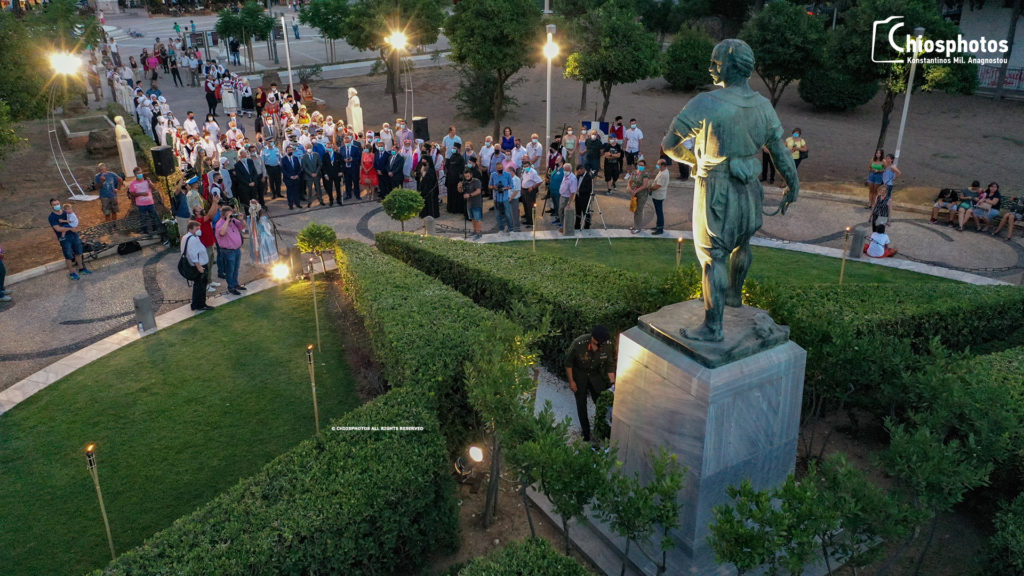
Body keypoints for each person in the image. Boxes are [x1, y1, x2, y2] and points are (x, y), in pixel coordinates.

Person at [662, 38, 799, 342]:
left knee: (713, 257)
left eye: (716, 63)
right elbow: (779, 151)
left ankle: (713, 326)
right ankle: (734, 297)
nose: (711, 68)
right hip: (749, 187)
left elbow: (669, 145)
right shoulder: (764, 106)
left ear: (733, 67)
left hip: (717, 187)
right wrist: (793, 182)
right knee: (742, 243)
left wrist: (693, 162)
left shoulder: (706, 102)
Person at [564, 325, 616, 443]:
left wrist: (613, 384)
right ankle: (586, 432)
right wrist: (572, 381)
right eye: (594, 343)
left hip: (595, 375)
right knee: (581, 403)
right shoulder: (578, 343)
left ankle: (601, 429)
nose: (595, 347)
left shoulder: (607, 346)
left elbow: (609, 365)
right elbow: (568, 363)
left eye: (598, 345)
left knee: (601, 400)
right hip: (579, 375)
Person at [49, 198, 91, 280]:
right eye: (54, 204)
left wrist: (75, 227)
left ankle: (81, 268)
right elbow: (58, 229)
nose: (56, 206)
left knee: (78, 253)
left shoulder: (66, 211)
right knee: (68, 256)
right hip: (64, 239)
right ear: (51, 206)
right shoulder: (52, 217)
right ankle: (72, 273)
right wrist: (71, 229)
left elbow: (74, 220)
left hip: (74, 236)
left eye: (57, 203)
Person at [181, 221, 214, 311]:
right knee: (201, 286)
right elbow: (193, 254)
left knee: (198, 286)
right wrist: (199, 267)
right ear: (190, 229)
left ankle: (196, 304)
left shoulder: (187, 237)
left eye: (199, 228)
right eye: (197, 229)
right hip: (200, 265)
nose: (199, 230)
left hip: (197, 265)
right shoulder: (192, 239)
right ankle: (200, 304)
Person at [215, 205, 247, 295]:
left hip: (237, 250)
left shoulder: (233, 220)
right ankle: (231, 287)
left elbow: (243, 226)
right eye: (228, 215)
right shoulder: (220, 224)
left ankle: (236, 284)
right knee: (230, 270)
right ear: (222, 215)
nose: (231, 216)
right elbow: (222, 232)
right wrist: (227, 220)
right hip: (228, 251)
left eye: (231, 214)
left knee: (236, 269)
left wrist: (241, 219)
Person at [871, 154, 901, 228]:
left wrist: (893, 178)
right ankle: (883, 217)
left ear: (891, 160)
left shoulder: (892, 167)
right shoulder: (886, 166)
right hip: (884, 184)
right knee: (883, 201)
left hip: (888, 185)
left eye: (888, 158)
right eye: (886, 158)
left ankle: (888, 220)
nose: (887, 159)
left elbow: (899, 173)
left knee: (887, 202)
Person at [128, 167, 160, 234]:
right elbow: (132, 194)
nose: (140, 174)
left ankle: (155, 230)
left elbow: (154, 188)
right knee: (143, 218)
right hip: (141, 204)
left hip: (150, 202)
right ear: (135, 175)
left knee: (153, 216)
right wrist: (141, 194)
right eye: (138, 174)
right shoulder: (133, 184)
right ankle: (145, 232)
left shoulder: (146, 180)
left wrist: (149, 182)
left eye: (140, 173)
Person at [628, 159, 651, 234]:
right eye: (639, 165)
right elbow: (630, 181)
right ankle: (635, 225)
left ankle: (638, 228)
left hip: (642, 195)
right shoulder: (634, 172)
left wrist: (635, 191)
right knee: (635, 210)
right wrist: (630, 189)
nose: (640, 166)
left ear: (644, 166)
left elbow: (644, 185)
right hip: (634, 194)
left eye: (642, 165)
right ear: (637, 165)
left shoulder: (645, 174)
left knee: (639, 211)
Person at [490, 162, 513, 233]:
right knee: (498, 215)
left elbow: (511, 185)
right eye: (498, 168)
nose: (500, 169)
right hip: (496, 198)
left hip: (505, 198)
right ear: (496, 169)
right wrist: (494, 187)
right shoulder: (493, 175)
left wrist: (505, 188)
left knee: (508, 214)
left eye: (501, 168)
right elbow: (489, 186)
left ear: (503, 167)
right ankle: (501, 229)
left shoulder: (508, 175)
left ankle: (511, 229)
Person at [649, 159, 670, 235]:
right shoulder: (662, 171)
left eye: (658, 164)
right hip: (657, 195)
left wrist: (650, 188)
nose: (657, 166)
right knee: (658, 212)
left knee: (659, 212)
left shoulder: (664, 174)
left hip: (659, 195)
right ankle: (658, 226)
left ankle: (660, 228)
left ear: (663, 165)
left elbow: (658, 186)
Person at [462, 168, 483, 239]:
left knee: (478, 218)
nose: (467, 178)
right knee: (472, 218)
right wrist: (459, 188)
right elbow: (462, 191)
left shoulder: (476, 181)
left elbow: (478, 191)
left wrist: (470, 195)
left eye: (468, 176)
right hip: (469, 203)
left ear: (471, 175)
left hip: (476, 203)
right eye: (465, 177)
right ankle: (475, 231)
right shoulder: (464, 182)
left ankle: (479, 233)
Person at [520, 159, 543, 228]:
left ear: (530, 166)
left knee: (530, 207)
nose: (525, 168)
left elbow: (540, 181)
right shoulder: (523, 171)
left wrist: (533, 187)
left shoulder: (533, 172)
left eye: (527, 166)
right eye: (524, 166)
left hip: (530, 191)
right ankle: (528, 220)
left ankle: (531, 222)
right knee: (525, 206)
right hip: (524, 190)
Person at [281, 144, 304, 209]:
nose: (290, 151)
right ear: (286, 151)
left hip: (296, 178)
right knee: (290, 192)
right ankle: (290, 205)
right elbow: (283, 170)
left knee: (296, 191)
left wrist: (297, 175)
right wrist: (290, 176)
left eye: (291, 150)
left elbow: (299, 168)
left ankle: (297, 203)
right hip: (288, 179)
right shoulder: (283, 159)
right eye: (288, 150)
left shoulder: (295, 158)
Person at [558, 162, 578, 234]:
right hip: (562, 196)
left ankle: (565, 227)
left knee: (563, 213)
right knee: (560, 212)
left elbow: (573, 192)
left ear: (570, 170)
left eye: (566, 170)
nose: (565, 171)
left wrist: (569, 203)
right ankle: (563, 226)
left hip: (566, 198)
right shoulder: (565, 175)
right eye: (564, 169)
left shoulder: (572, 179)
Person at [340, 134, 361, 201]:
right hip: (346, 168)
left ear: (350, 141)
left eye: (348, 142)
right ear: (344, 142)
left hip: (354, 168)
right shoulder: (342, 148)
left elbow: (359, 158)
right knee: (347, 182)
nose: (347, 143)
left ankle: (357, 195)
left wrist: (353, 159)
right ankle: (348, 195)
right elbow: (340, 158)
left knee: (356, 182)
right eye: (346, 142)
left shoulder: (355, 148)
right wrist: (343, 160)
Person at [574, 164, 594, 230]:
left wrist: (579, 190)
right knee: (578, 212)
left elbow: (589, 189)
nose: (578, 173)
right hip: (578, 197)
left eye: (579, 171)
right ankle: (577, 225)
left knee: (586, 212)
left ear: (583, 169)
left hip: (585, 198)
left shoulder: (589, 177)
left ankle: (587, 225)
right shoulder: (578, 175)